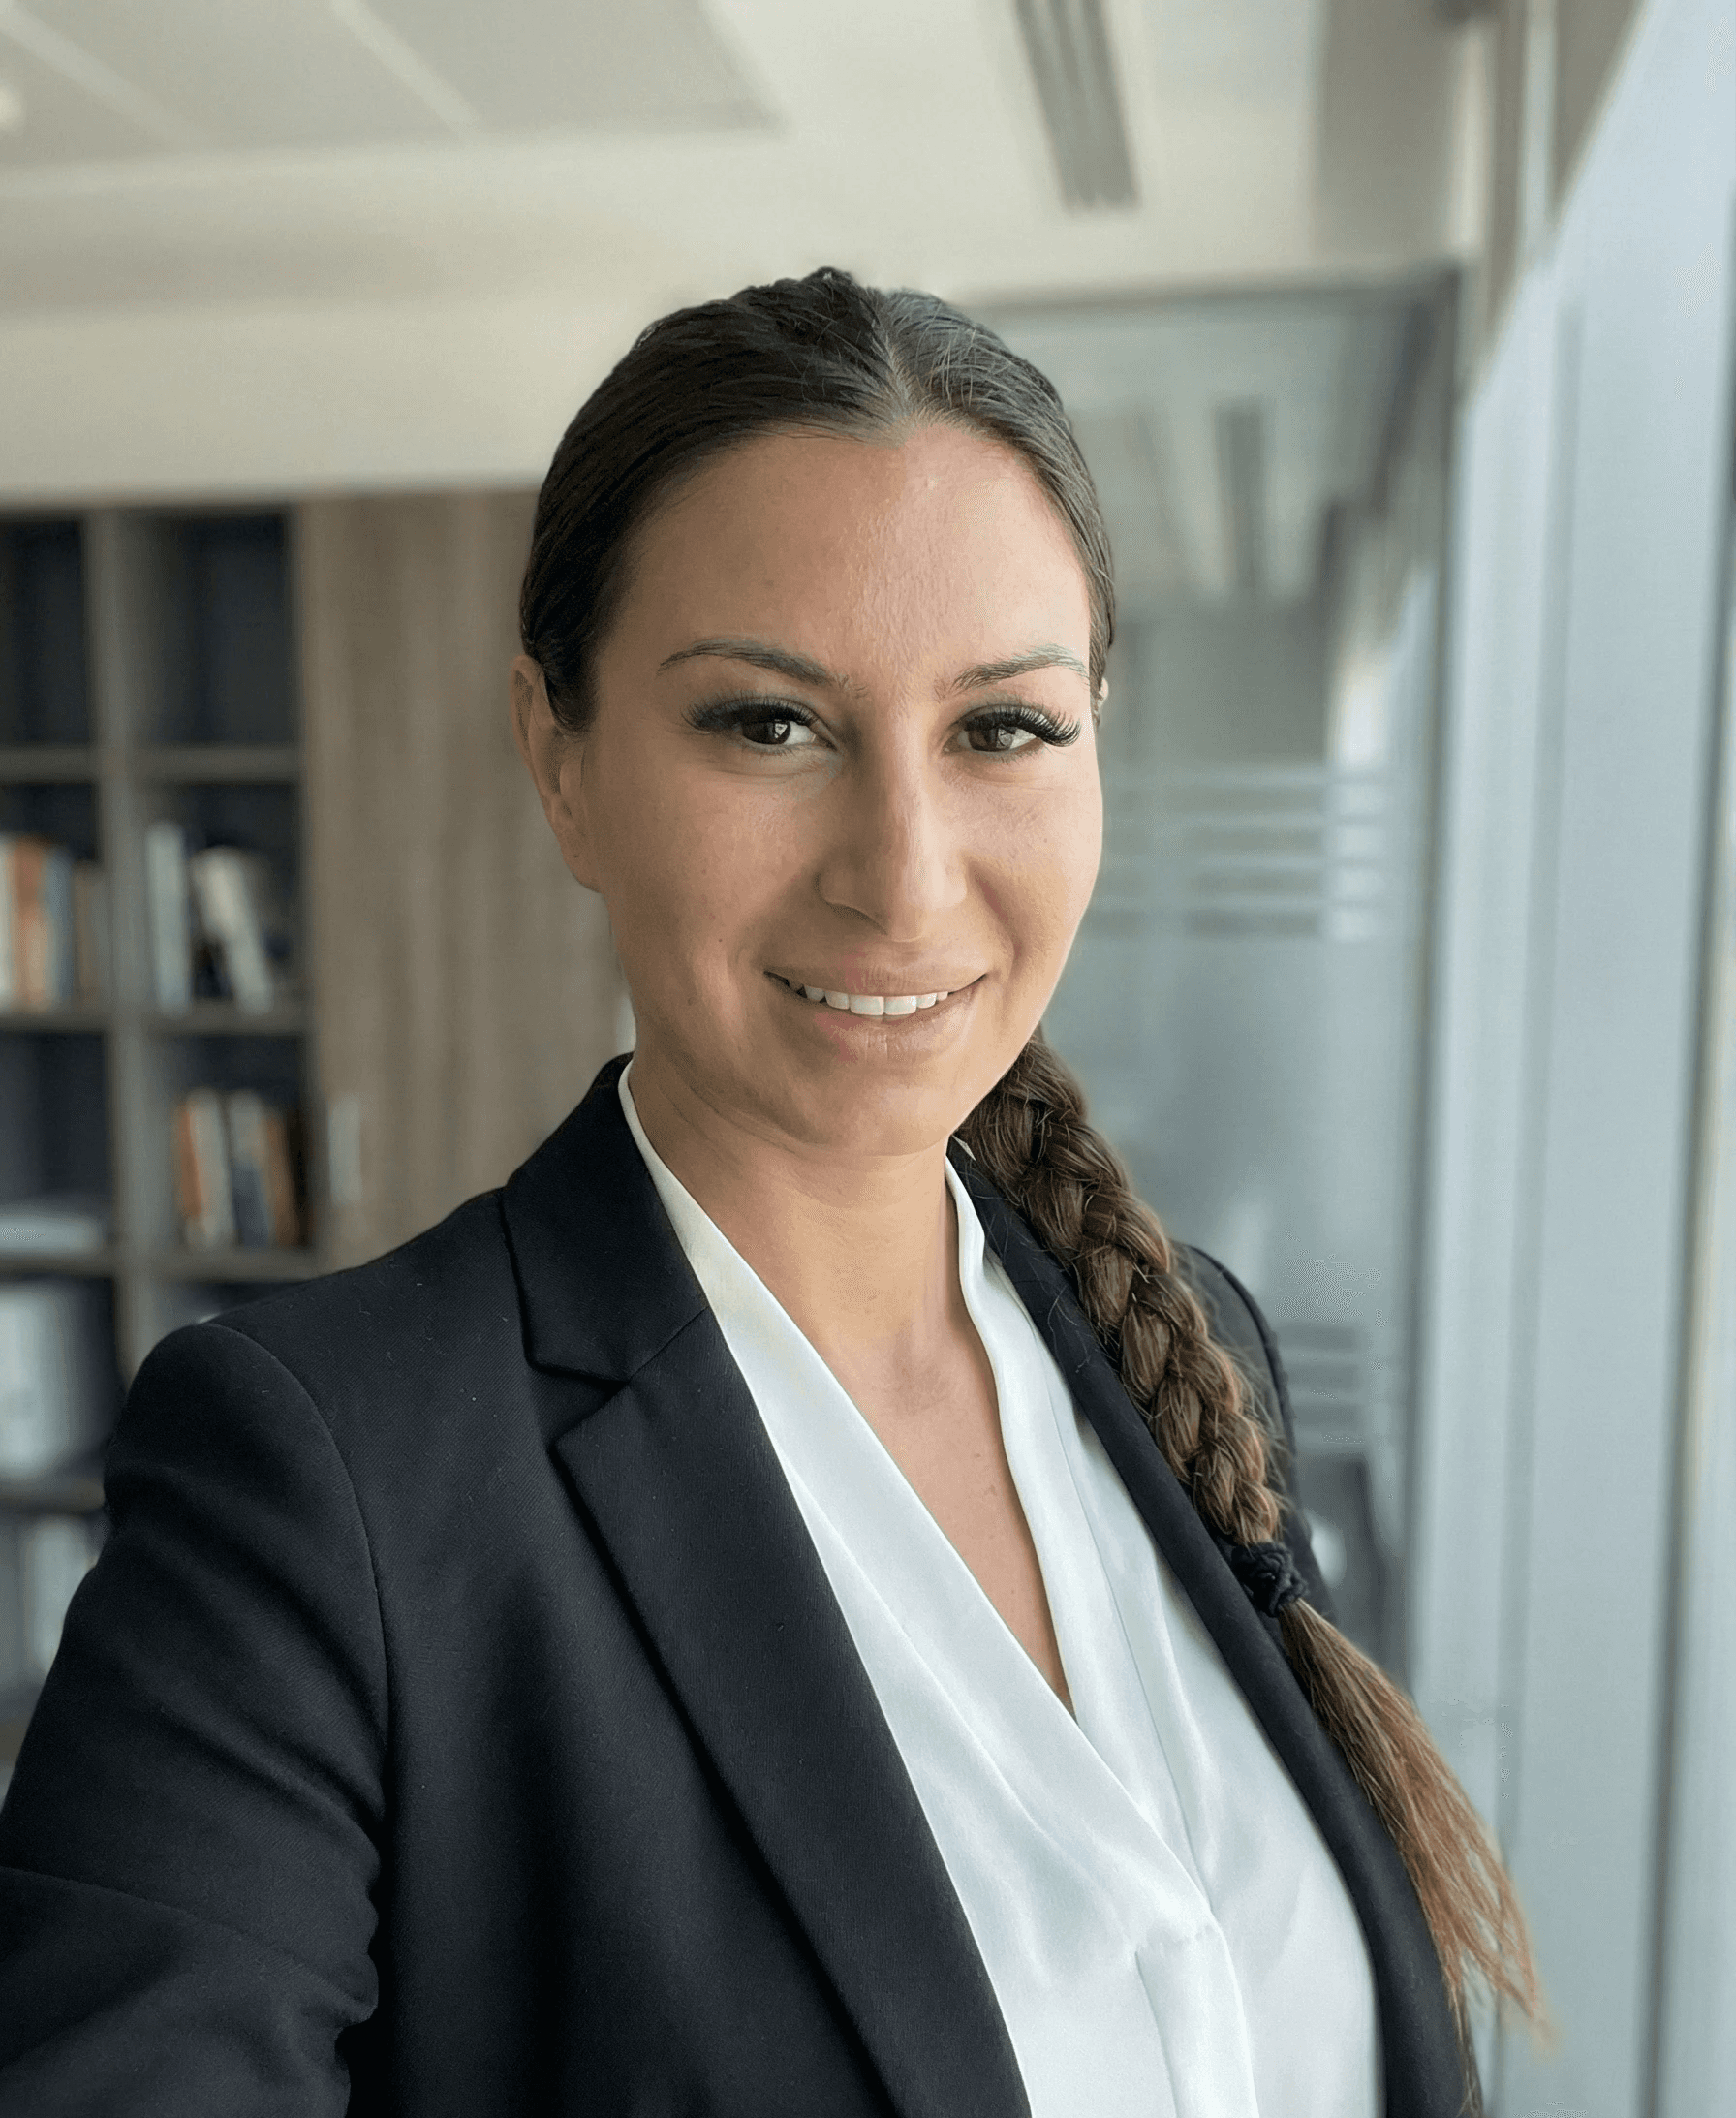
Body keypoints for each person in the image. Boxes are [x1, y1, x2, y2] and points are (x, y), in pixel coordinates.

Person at [0, 268, 1537, 2116]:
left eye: (1006, 729)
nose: (904, 878)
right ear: (560, 756)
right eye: (770, 726)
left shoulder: (1185, 1341)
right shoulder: (333, 1479)